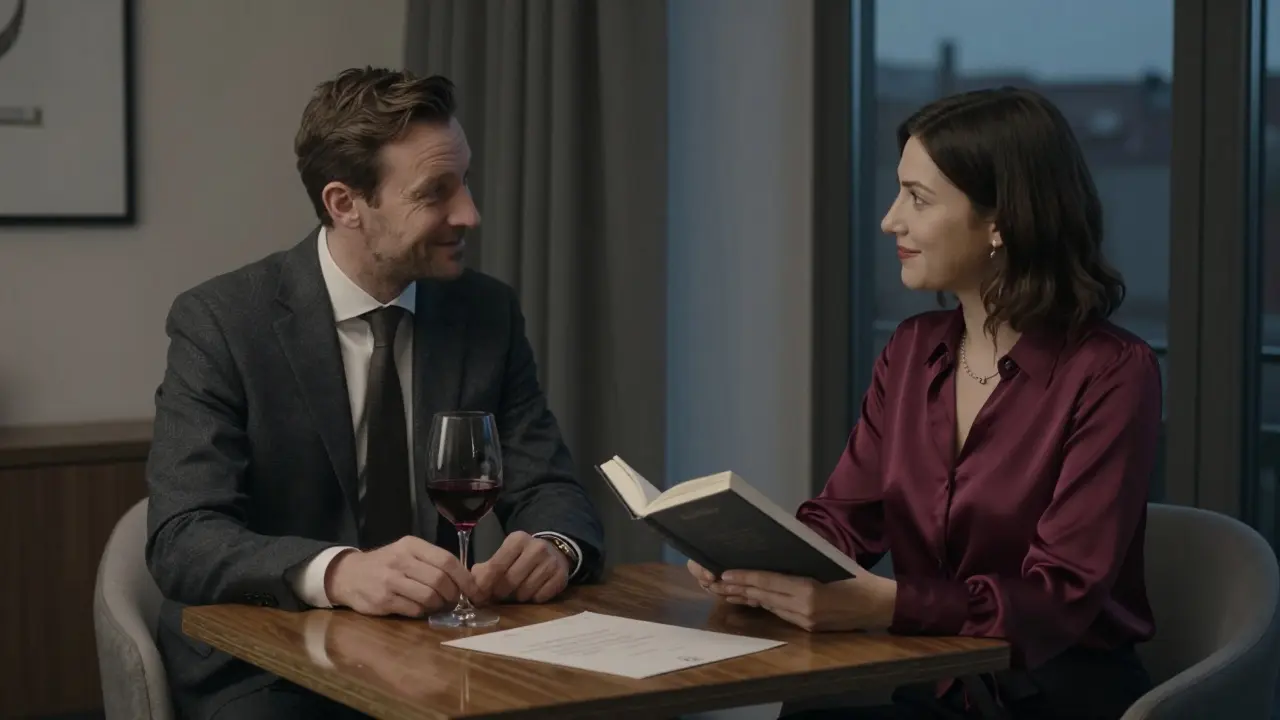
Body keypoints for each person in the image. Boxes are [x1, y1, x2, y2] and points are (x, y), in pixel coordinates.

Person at [145, 67, 605, 720]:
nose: (469, 214)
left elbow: (551, 486)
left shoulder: (485, 312)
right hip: (275, 672)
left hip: (447, 654)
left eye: (465, 182)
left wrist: (555, 546)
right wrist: (338, 573)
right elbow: (184, 538)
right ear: (344, 204)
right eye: (435, 193)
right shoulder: (222, 323)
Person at [689, 87, 1161, 719]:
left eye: (918, 198)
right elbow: (844, 521)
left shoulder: (1111, 372)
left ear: (1001, 221)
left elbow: (1060, 596)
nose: (891, 220)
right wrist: (751, 557)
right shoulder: (911, 351)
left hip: (1054, 693)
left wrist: (887, 603)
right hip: (933, 680)